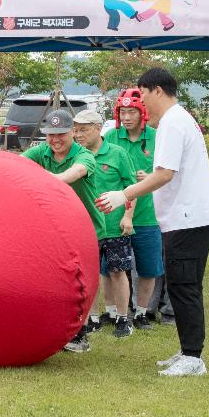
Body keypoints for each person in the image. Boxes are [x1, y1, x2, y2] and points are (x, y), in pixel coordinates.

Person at [97, 67, 209, 377]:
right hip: (186, 218)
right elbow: (162, 172)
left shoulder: (172, 124)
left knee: (185, 286)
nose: (141, 105)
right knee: (181, 285)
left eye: (143, 95)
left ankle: (193, 358)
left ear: (157, 91)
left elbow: (165, 174)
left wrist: (121, 194)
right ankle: (187, 351)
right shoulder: (177, 120)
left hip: (188, 218)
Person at [22, 109, 104, 353]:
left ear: (72, 133)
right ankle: (54, 330)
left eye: (61, 134)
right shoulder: (42, 151)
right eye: (50, 135)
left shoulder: (85, 156)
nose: (55, 140)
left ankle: (81, 334)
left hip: (87, 228)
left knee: (82, 283)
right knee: (54, 281)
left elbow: (73, 174)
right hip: (55, 229)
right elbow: (16, 165)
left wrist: (48, 178)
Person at [105, 87, 167, 330]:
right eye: (123, 112)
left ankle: (141, 312)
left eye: (132, 112)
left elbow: (168, 170)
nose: (127, 117)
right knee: (112, 267)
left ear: (143, 113)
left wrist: (151, 176)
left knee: (148, 267)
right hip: (115, 215)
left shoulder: (156, 137)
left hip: (149, 215)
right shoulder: (110, 137)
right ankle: (114, 312)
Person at [73, 110, 138, 338]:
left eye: (83, 130)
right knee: (89, 274)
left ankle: (122, 318)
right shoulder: (76, 155)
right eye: (76, 130)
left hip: (114, 225)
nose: (78, 135)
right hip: (86, 227)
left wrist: (127, 217)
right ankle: (92, 318)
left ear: (98, 128)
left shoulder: (117, 154)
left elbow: (132, 188)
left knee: (118, 271)